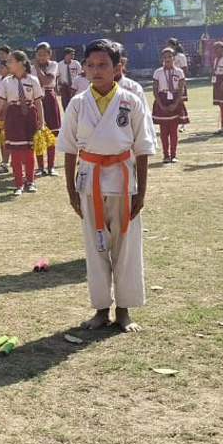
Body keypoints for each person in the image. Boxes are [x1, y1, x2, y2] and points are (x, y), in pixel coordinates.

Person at [57, 38, 155, 333]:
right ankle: (101, 308)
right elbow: (69, 149)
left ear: (117, 68)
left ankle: (124, 309)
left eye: (103, 65)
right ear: (83, 68)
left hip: (124, 182)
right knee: (95, 247)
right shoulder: (77, 104)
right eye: (91, 65)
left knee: (125, 247)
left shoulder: (131, 100)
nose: (96, 71)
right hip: (90, 182)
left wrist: (142, 190)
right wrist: (71, 190)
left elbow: (143, 149)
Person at [0, 50, 44, 195]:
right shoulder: (6, 82)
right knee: (16, 152)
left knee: (29, 151)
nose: (8, 63)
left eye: (11, 61)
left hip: (29, 114)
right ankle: (19, 184)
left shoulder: (32, 80)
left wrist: (41, 122)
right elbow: (0, 103)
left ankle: (30, 182)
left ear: (21, 62)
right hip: (13, 115)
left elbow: (38, 102)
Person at [152, 48, 188, 163]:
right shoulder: (158, 72)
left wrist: (176, 103)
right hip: (162, 99)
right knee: (163, 131)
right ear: (162, 59)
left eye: (169, 56)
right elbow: (155, 90)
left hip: (175, 99)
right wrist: (161, 104)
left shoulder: (179, 72)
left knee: (174, 130)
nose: (167, 59)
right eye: (165, 57)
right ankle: (165, 155)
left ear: (174, 58)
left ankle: (174, 155)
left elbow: (181, 89)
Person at [33, 42, 62, 176]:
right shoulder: (30, 67)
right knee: (38, 133)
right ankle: (40, 167)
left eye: (44, 54)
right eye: (39, 54)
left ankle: (51, 166)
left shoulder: (54, 65)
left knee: (51, 133)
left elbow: (46, 81)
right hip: (36, 99)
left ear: (49, 54)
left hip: (49, 98)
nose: (41, 57)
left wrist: (37, 68)